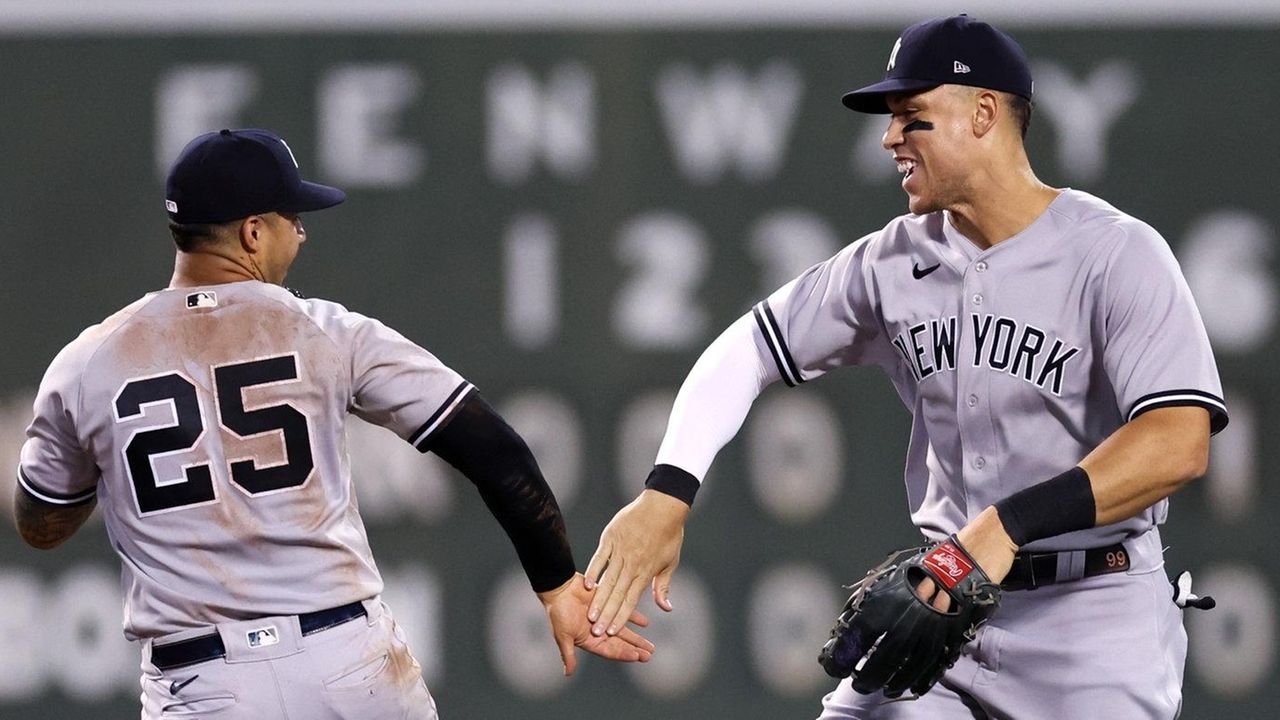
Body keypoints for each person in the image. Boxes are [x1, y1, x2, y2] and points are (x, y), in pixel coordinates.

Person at [583, 15, 1225, 719]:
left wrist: (999, 529)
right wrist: (667, 492)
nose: (890, 138)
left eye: (912, 117)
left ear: (984, 113)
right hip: (949, 607)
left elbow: (1177, 439)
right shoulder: (891, 260)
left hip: (1096, 622)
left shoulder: (1115, 253)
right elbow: (745, 350)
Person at [13, 128, 653, 719]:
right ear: (253, 233)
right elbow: (493, 447)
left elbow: (41, 523)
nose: (303, 231)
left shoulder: (87, 363)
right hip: (346, 663)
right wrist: (556, 584)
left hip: (202, 683)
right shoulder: (324, 332)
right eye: (293, 217)